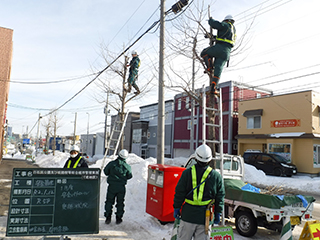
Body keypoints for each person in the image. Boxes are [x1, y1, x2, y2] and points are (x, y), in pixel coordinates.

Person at [173, 144, 225, 239]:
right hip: (205, 218)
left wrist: (177, 207)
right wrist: (218, 213)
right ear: (209, 160)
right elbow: (220, 196)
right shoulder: (216, 176)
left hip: (188, 215)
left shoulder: (186, 173)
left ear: (195, 158)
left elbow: (179, 192)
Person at [201, 15, 236, 95]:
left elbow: (216, 24)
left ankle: (209, 67)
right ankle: (213, 88)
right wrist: (212, 37)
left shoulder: (226, 25)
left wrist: (210, 20)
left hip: (221, 48)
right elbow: (223, 37)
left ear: (226, 20)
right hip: (227, 53)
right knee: (218, 68)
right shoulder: (233, 30)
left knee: (204, 53)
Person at [104, 149, 133, 224]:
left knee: (109, 201)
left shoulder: (111, 164)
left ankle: (108, 217)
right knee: (120, 202)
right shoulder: (127, 167)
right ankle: (119, 218)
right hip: (121, 187)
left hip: (112, 186)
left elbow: (106, 172)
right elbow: (129, 176)